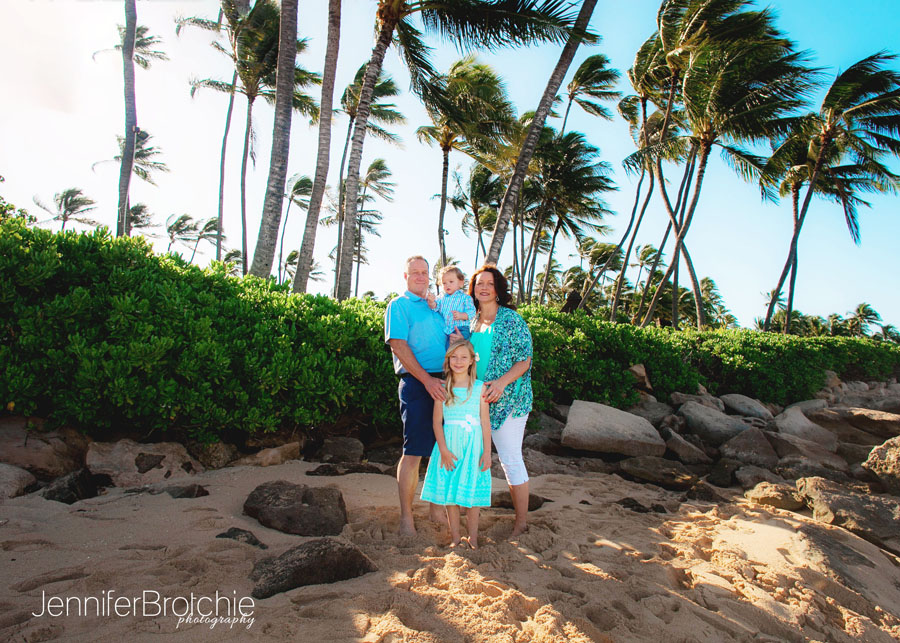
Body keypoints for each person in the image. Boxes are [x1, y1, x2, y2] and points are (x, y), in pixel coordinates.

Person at [467, 264, 533, 539]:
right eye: (479, 283)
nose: (483, 288)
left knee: (510, 460)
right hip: (477, 401)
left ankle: (521, 522)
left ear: (498, 290)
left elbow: (525, 359)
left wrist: (502, 382)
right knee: (473, 459)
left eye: (489, 284)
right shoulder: (472, 322)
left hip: (510, 402)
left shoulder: (511, 319)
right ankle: (469, 519)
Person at [384, 255, 447, 535]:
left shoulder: (437, 307)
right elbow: (397, 345)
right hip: (417, 382)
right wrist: (427, 381)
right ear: (405, 276)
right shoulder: (398, 305)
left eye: (425, 272)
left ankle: (435, 509)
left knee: (440, 452)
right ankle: (406, 518)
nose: (421, 276)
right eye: (415, 273)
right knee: (413, 453)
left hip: (446, 382)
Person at [420, 340, 492, 549]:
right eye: (454, 357)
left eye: (463, 357)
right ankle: (455, 537)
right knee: (450, 494)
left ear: (471, 361)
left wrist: (487, 452)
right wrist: (443, 449)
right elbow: (436, 422)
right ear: (448, 360)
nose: (458, 361)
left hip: (473, 446)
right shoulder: (443, 387)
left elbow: (485, 422)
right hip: (449, 445)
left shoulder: (479, 388)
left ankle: (474, 538)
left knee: (472, 495)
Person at [427, 265, 477, 340]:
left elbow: (472, 312)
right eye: (444, 283)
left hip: (461, 328)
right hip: (447, 330)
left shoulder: (465, 297)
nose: (448, 285)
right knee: (447, 349)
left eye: (451, 282)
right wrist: (431, 302)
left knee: (461, 344)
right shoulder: (441, 298)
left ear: (461, 282)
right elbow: (435, 306)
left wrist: (462, 315)